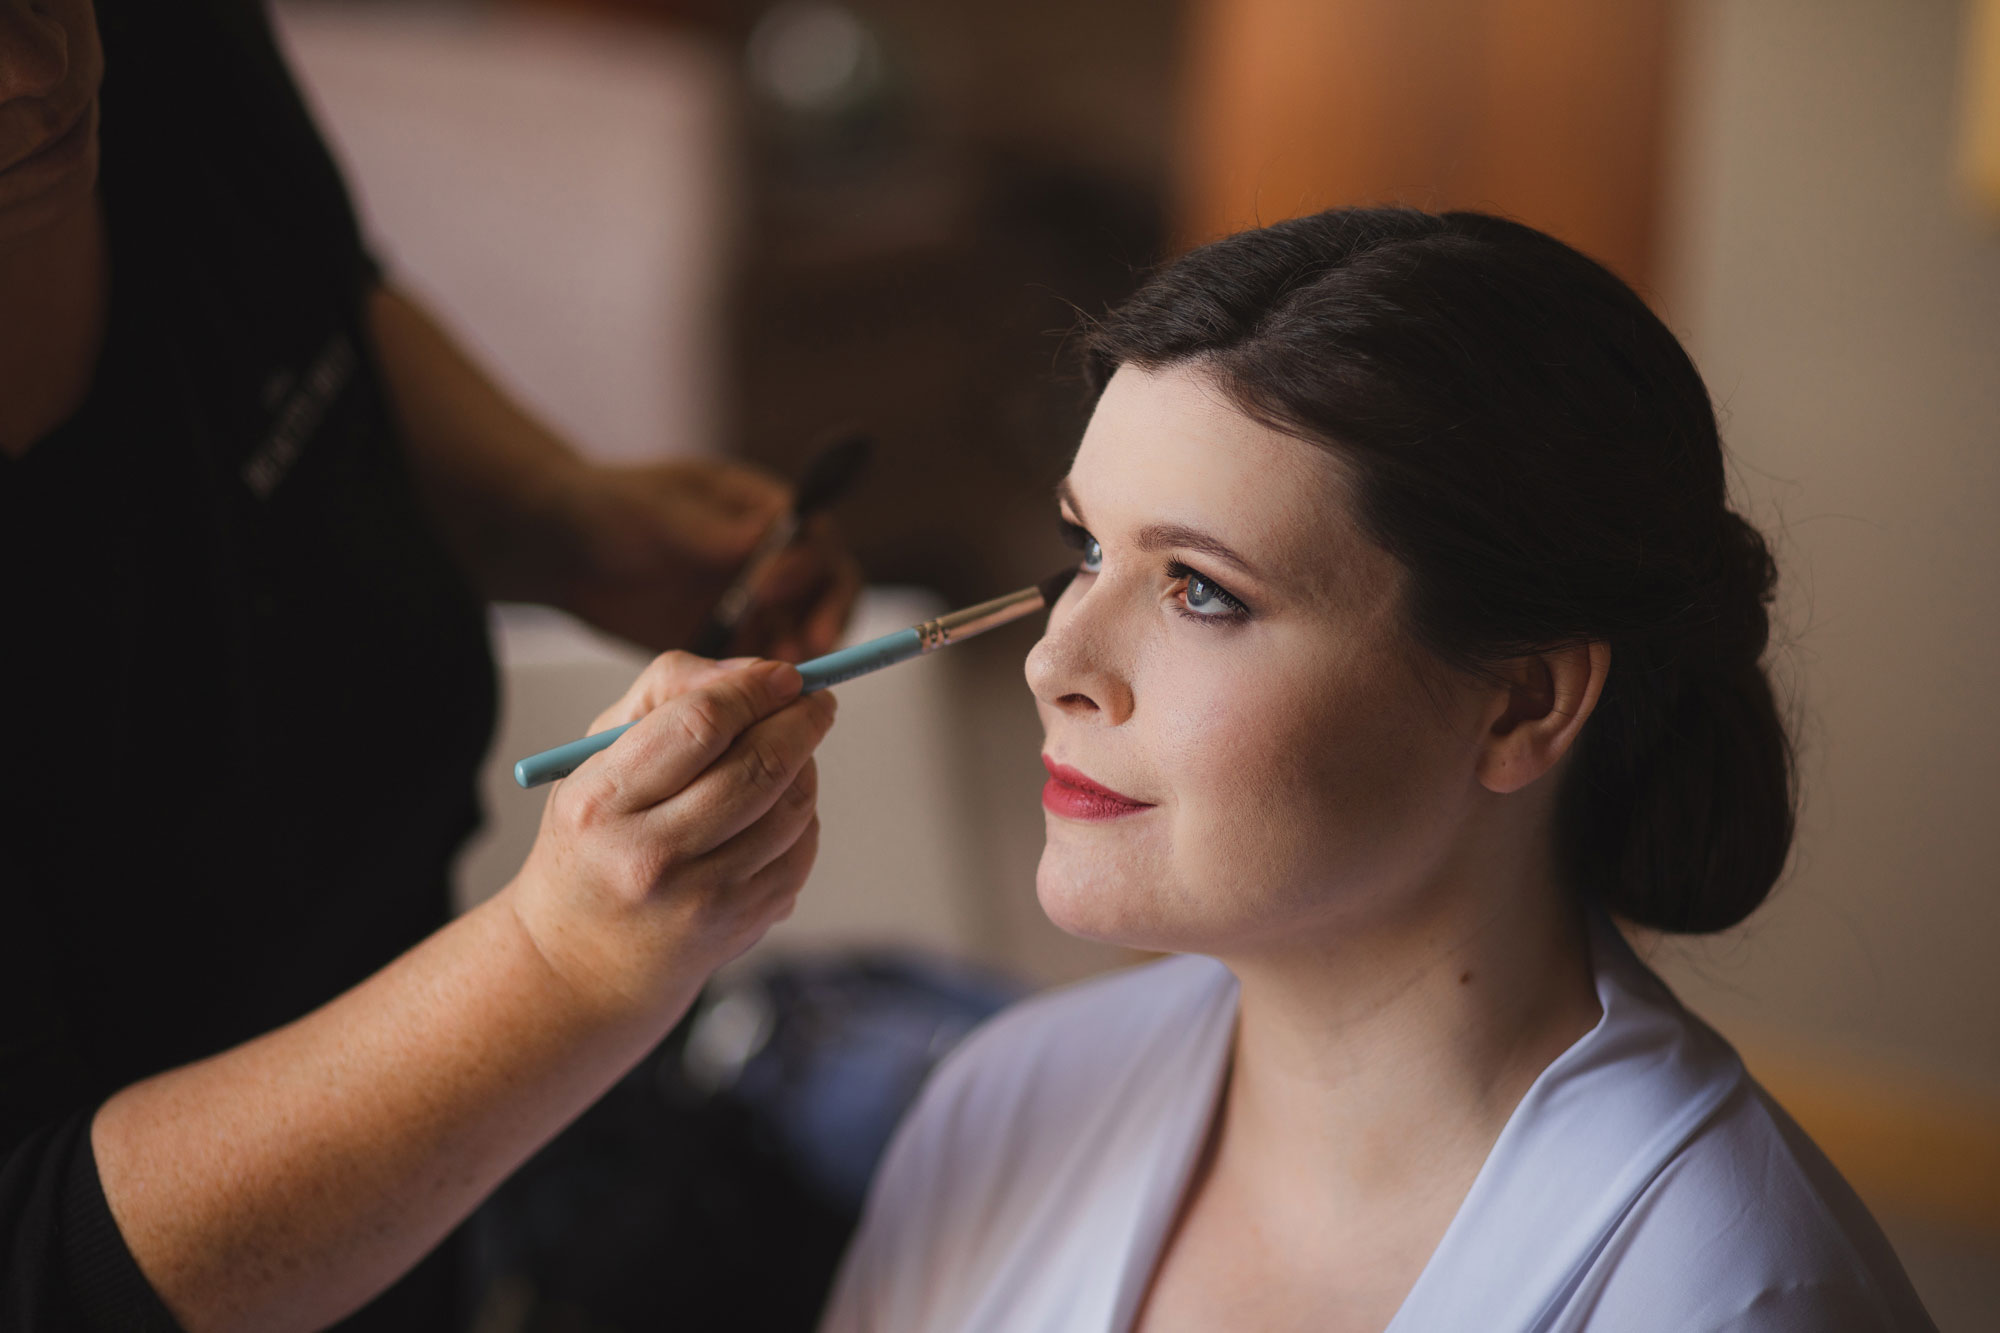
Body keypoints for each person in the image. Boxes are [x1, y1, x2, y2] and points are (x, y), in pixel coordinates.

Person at [821, 208, 1937, 1332]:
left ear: (1520, 702)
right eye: (1086, 551)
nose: (1053, 660)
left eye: (1201, 590)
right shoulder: (1003, 1106)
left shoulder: (1727, 1294)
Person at [1, 1, 857, 1328]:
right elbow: (41, 1270)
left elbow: (301, 291)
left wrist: (552, 514)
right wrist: (552, 970)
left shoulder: (147, 37)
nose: (32, 69)